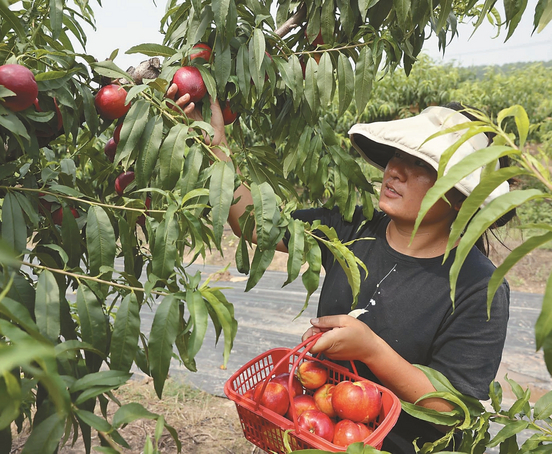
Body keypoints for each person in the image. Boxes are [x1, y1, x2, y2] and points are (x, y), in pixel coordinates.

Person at [167, 85, 514, 452]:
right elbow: (255, 226)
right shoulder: (351, 228)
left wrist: (371, 351)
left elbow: (453, 408)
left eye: (421, 165)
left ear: (461, 197)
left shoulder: (478, 286)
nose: (394, 170)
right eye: (399, 156)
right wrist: (216, 145)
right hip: (320, 437)